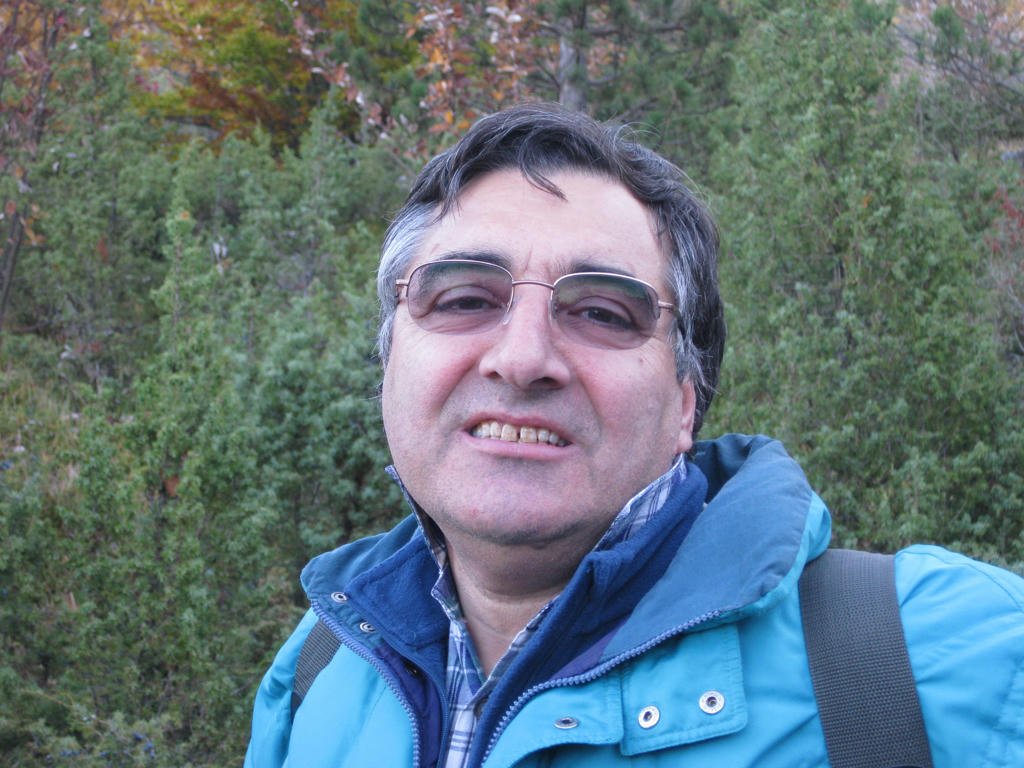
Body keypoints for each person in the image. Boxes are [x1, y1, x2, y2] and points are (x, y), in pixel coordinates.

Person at [244, 103, 1024, 768]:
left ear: (686, 402)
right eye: (463, 299)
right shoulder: (319, 668)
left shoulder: (942, 653)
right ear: (391, 362)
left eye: (602, 312)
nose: (522, 358)